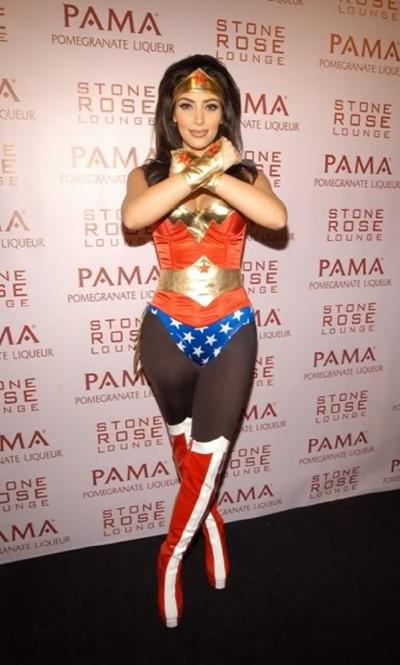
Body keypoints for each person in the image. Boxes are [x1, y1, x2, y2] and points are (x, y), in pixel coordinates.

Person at [121, 53, 287, 628]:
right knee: (187, 457)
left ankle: (170, 557)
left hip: (231, 329)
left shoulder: (247, 175)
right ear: (170, 113)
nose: (197, 118)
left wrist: (219, 169)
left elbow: (275, 217)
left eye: (211, 106)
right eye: (186, 105)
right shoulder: (148, 175)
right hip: (165, 331)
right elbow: (135, 217)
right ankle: (211, 527)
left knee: (207, 457)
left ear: (225, 113)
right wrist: (198, 169)